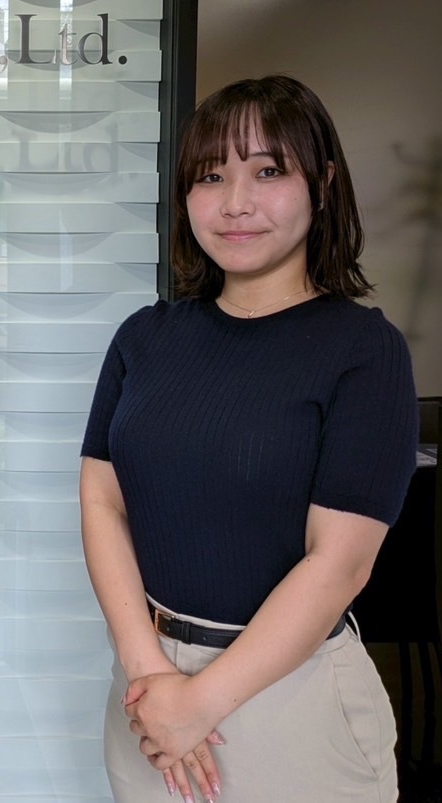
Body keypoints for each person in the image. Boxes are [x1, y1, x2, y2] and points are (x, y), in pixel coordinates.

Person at [79, 74, 417, 803]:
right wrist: (149, 672)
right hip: (145, 692)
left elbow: (340, 563)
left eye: (268, 171)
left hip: (289, 693)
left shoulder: (364, 350)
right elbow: (102, 502)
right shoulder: (144, 337)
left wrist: (200, 703)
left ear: (322, 185)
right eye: (211, 176)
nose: (235, 202)